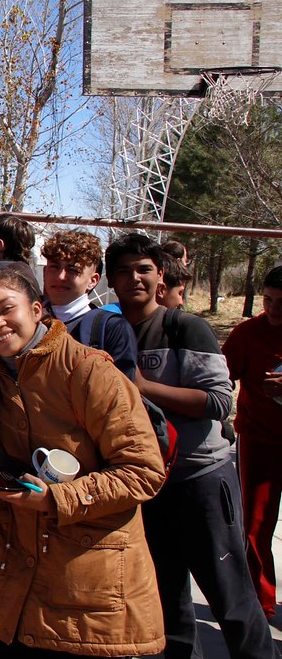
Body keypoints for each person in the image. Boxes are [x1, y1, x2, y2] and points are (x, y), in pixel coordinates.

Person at [0, 267, 166, 657]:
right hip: (21, 586)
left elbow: (144, 470)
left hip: (92, 587)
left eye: (7, 309)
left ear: (38, 309)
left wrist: (58, 499)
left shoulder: (87, 370)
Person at [106, 233, 275, 658]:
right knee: (166, 600)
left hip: (200, 480)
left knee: (230, 596)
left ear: (161, 275)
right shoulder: (106, 331)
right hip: (147, 486)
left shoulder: (185, 327)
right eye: (123, 271)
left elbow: (219, 401)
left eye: (143, 269)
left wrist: (142, 386)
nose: (134, 279)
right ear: (110, 279)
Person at [223, 265, 282, 620]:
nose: (274, 310)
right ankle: (260, 602)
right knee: (256, 525)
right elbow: (220, 378)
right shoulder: (247, 333)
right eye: (269, 300)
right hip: (259, 441)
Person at [41, 230, 137, 378]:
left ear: (93, 280)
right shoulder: (25, 318)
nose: (61, 276)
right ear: (45, 272)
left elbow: (119, 393)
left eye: (73, 270)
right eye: (55, 267)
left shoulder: (112, 329)